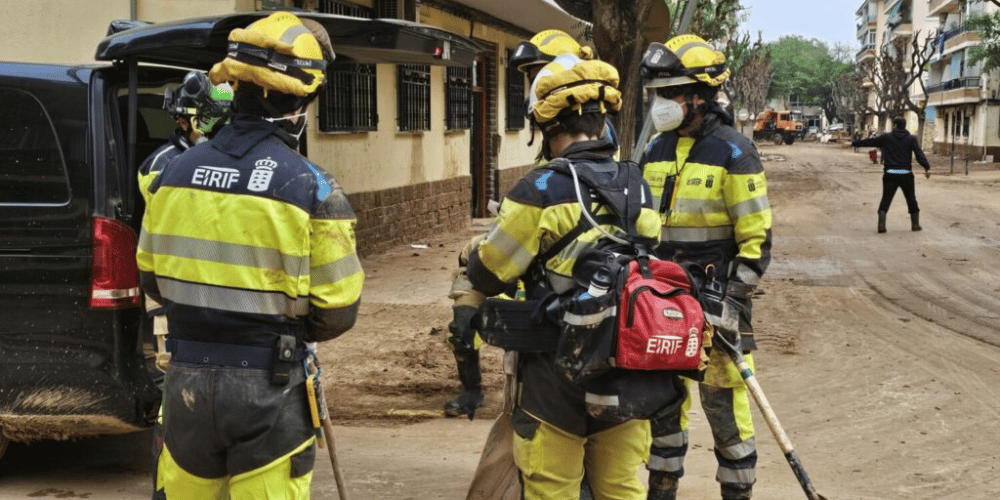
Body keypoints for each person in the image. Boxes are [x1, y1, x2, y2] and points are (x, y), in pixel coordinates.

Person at [136, 11, 363, 499]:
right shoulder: (313, 188)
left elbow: (152, 282)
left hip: (185, 383)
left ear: (235, 87)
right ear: (298, 101)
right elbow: (337, 311)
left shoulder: (170, 176)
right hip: (270, 387)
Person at [464, 53, 667, 500]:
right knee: (620, 489)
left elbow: (489, 270)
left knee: (552, 489)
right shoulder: (639, 184)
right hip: (627, 368)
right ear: (602, 122)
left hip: (555, 375)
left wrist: (473, 255)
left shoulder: (539, 189)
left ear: (547, 126)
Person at [638, 34, 773, 500]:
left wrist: (734, 297)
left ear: (700, 96)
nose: (662, 104)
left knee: (723, 402)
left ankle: (737, 491)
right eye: (658, 94)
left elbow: (757, 241)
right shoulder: (654, 152)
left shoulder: (735, 153)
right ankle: (662, 488)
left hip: (718, 303)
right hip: (660, 304)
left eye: (671, 93)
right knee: (662, 401)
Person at [442, 28, 601, 419]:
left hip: (570, 277)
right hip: (528, 249)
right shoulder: (550, 145)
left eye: (536, 74)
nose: (530, 85)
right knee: (467, 296)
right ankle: (472, 389)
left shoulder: (588, 138)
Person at [851, 116, 931, 233]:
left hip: (890, 174)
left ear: (894, 126)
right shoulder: (911, 139)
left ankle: (881, 225)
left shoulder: (886, 137)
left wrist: (854, 143)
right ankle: (915, 225)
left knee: (886, 199)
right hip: (906, 174)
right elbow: (919, 154)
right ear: (905, 126)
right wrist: (927, 168)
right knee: (911, 199)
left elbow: (870, 142)